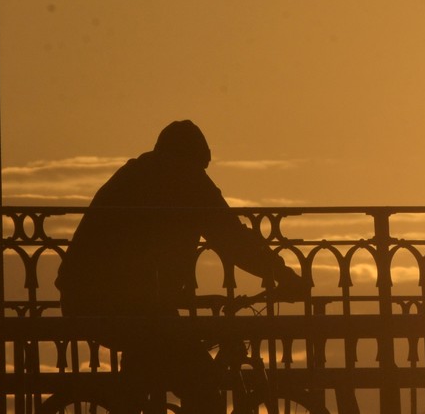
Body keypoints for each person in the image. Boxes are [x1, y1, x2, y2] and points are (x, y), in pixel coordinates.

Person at [56, 120, 306, 414]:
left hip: (97, 299)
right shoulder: (184, 181)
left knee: (146, 372)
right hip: (127, 305)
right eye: (202, 167)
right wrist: (283, 274)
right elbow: (232, 238)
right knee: (203, 383)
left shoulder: (138, 173)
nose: (203, 174)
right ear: (194, 159)